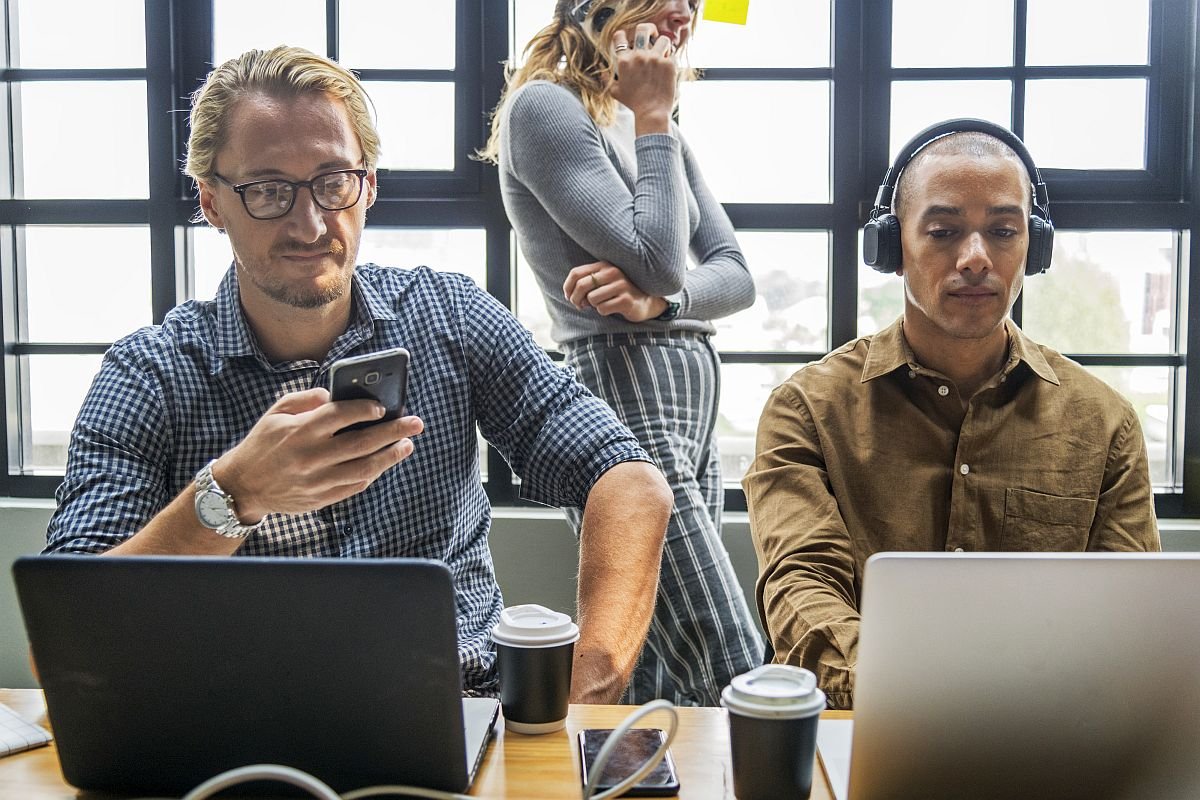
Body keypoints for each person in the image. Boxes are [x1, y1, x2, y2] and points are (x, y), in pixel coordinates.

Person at [44, 45, 674, 704]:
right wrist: (229, 497)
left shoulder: (448, 317)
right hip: (237, 729)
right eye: (266, 190)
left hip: (458, 711)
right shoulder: (148, 373)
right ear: (211, 203)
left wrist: (591, 679)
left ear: (368, 185)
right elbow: (63, 636)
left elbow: (628, 479)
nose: (310, 221)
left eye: (333, 180)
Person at [743, 120, 1161, 710]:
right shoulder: (806, 410)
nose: (974, 258)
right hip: (864, 725)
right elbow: (802, 588)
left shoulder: (1105, 423)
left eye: (1003, 232)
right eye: (943, 232)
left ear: (1032, 249)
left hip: (1046, 735)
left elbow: (1129, 616)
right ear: (892, 249)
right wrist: (915, 695)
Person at [480, 0, 763, 706]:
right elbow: (664, 257)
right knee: (727, 654)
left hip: (690, 391)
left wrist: (661, 304)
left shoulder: (650, 128)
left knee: (665, 670)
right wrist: (656, 118)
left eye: (693, 3)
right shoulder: (545, 109)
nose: (683, 10)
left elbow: (735, 274)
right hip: (623, 380)